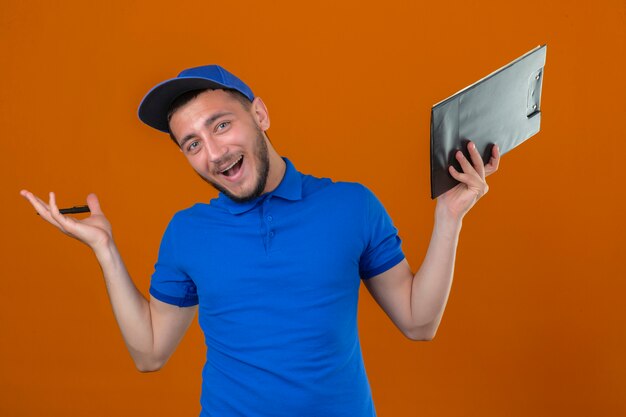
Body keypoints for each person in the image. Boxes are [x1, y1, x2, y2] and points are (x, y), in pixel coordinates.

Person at [21, 65, 500, 416]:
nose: (213, 153)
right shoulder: (187, 231)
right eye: (192, 144)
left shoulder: (351, 206)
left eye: (221, 125)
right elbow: (150, 352)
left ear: (260, 115)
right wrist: (105, 250)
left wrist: (449, 217)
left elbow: (419, 322)